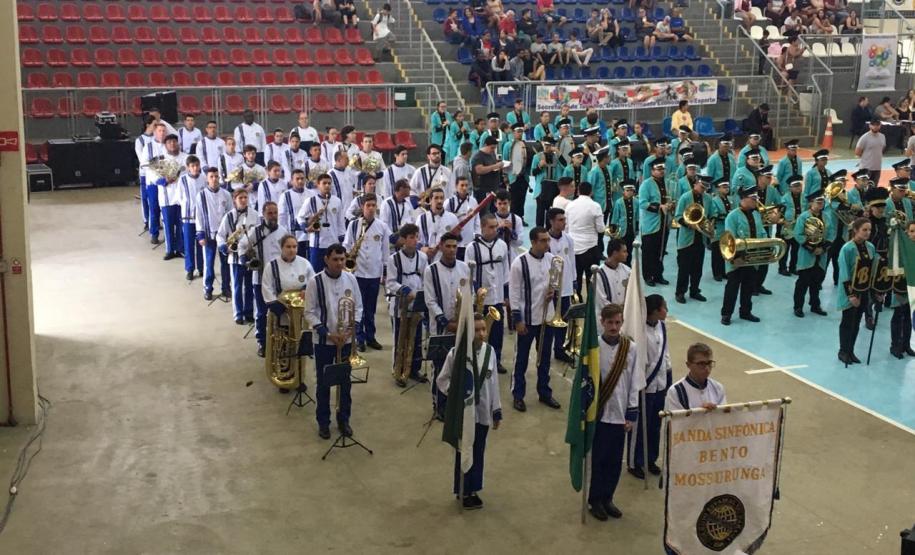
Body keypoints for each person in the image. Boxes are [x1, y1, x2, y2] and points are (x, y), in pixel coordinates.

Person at [437, 313, 502, 510]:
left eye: (484, 329)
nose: (482, 333)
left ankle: (474, 488)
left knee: (479, 451)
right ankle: (462, 489)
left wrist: (496, 410)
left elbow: (494, 384)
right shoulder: (456, 353)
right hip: (464, 414)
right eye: (478, 330)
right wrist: (455, 395)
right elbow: (442, 379)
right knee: (463, 450)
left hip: (482, 414)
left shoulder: (490, 352)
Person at [304, 244, 363, 439]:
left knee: (345, 383)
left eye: (342, 259)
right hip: (324, 342)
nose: (340, 263)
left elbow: (359, 307)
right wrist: (328, 334)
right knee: (323, 383)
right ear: (326, 260)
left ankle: (343, 419)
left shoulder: (351, 279)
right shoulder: (315, 282)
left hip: (345, 340)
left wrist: (349, 331)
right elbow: (309, 312)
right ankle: (323, 422)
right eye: (336, 259)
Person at [588, 303, 641, 521]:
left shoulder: (631, 348)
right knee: (598, 460)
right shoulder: (593, 348)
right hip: (600, 414)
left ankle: (608, 497)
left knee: (614, 461)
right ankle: (595, 500)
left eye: (617, 322)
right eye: (610, 322)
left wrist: (631, 414)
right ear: (602, 322)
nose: (614, 326)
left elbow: (635, 382)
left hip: (620, 414)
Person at [508, 227, 562, 412]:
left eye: (548, 240)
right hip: (527, 319)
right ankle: (518, 395)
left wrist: (552, 293)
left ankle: (544, 392)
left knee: (545, 358)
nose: (547, 243)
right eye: (543, 240)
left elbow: (556, 284)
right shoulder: (519, 263)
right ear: (533, 242)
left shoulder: (553, 261)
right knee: (521, 359)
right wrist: (518, 319)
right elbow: (514, 293)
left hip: (547, 318)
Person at [424, 233, 472, 418]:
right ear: (441, 247)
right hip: (441, 328)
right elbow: (430, 300)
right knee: (440, 367)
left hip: (460, 325)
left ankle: (455, 401)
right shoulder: (431, 270)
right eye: (448, 246)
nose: (452, 250)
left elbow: (469, 294)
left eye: (455, 247)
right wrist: (445, 321)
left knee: (458, 365)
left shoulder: (465, 268)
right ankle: (439, 405)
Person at [342, 193, 393, 353]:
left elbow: (385, 251)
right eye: (368, 205)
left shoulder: (382, 226)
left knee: (371, 308)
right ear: (362, 207)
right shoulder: (354, 225)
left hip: (374, 272)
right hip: (357, 272)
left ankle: (371, 337)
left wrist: (385, 273)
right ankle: (359, 337)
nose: (371, 208)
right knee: (358, 307)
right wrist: (349, 256)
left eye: (373, 205)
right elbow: (347, 244)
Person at [628, 294, 670, 479]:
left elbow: (665, 353)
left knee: (655, 424)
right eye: (664, 307)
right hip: (644, 384)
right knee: (640, 427)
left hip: (660, 383)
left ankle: (650, 458)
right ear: (654, 311)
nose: (666, 310)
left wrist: (668, 377)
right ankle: (634, 461)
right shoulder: (639, 331)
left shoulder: (662, 326)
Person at [464, 213, 511, 374]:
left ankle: (495, 359)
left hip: (497, 297)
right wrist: (475, 291)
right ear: (483, 227)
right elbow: (468, 273)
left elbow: (506, 271)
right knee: (477, 331)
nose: (494, 230)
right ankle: (475, 358)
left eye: (496, 226)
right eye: (491, 227)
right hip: (480, 300)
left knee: (497, 331)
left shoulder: (502, 245)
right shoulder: (472, 248)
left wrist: (505, 294)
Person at [239, 202, 288, 357]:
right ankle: (262, 342)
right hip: (260, 279)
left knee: (281, 313)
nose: (273, 216)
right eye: (270, 213)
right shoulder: (256, 231)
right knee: (261, 313)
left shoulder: (284, 231)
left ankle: (281, 342)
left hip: (280, 281)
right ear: (263, 214)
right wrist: (244, 258)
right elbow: (242, 245)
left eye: (275, 213)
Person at [386, 224, 429, 387]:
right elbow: (390, 282)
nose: (415, 240)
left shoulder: (423, 258)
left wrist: (422, 294)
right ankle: (398, 370)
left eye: (416, 236)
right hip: (400, 303)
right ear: (403, 240)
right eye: (411, 237)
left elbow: (426, 278)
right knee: (400, 337)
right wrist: (405, 290)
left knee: (416, 337)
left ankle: (413, 369)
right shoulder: (394, 259)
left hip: (417, 301)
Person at [720, 183, 766, 325]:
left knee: (748, 286)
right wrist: (737, 257)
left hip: (752, 258)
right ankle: (726, 314)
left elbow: (762, 232)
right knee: (732, 287)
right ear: (744, 199)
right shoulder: (732, 217)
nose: (756, 201)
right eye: (753, 198)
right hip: (737, 259)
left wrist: (764, 243)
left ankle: (745, 312)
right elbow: (730, 238)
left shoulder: (756, 214)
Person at [837, 217, 880, 364]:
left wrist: (876, 292)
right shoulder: (847, 249)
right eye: (864, 230)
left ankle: (851, 350)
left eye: (869, 230)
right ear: (856, 230)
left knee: (856, 322)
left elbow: (873, 270)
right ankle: (843, 351)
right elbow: (844, 273)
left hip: (864, 291)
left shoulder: (870, 247)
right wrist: (851, 295)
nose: (868, 232)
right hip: (850, 292)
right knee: (848, 321)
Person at [793, 189, 836, 317]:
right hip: (807, 255)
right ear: (811, 203)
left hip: (821, 255)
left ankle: (815, 305)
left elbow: (831, 233)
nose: (821, 204)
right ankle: (798, 306)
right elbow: (798, 234)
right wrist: (812, 248)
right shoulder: (804, 217)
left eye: (822, 201)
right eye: (818, 202)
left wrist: (823, 248)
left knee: (817, 282)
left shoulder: (826, 217)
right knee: (803, 283)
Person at [674, 175, 712, 304]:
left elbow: (710, 215)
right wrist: (689, 224)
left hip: (700, 239)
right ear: (695, 184)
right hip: (686, 239)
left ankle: (694, 290)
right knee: (684, 268)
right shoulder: (685, 197)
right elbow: (678, 216)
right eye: (701, 187)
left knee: (697, 268)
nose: (703, 190)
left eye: (705, 188)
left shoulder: (707, 198)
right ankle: (680, 292)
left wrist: (709, 226)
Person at [297, 174, 345, 274]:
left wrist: (341, 241)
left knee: (333, 272)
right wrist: (305, 228)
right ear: (318, 185)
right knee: (315, 273)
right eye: (324, 183)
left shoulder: (337, 201)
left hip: (333, 243)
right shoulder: (311, 201)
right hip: (317, 244)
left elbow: (340, 222)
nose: (327, 185)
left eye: (329, 183)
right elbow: (300, 217)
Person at [198, 169, 234, 303]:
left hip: (224, 235)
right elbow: (199, 216)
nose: (214, 179)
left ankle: (226, 287)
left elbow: (231, 214)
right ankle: (208, 288)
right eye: (211, 177)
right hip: (208, 235)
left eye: (216, 176)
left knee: (225, 263)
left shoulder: (226, 194)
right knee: (209, 263)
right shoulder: (201, 195)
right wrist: (200, 234)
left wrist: (231, 234)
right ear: (207, 179)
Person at [546, 208, 576, 364]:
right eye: (560, 220)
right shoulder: (544, 240)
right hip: (549, 288)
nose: (564, 223)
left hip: (565, 287)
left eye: (564, 219)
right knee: (548, 319)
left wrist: (574, 281)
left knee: (563, 319)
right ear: (551, 221)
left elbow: (571, 261)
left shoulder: (568, 239)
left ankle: (559, 349)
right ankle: (545, 348)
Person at [566, 182, 604, 297]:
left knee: (575, 276)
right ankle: (590, 304)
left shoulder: (570, 205)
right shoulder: (595, 206)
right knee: (591, 278)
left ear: (578, 191)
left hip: (573, 246)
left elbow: (566, 227)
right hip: (590, 247)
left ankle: (576, 301)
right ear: (591, 192)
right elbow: (601, 228)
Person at [639, 159, 673, 286]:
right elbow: (642, 203)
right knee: (649, 251)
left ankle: (658, 274)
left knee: (661, 250)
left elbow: (670, 198)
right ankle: (648, 276)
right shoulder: (646, 184)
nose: (661, 172)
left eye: (663, 169)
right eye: (659, 169)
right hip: (651, 224)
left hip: (664, 223)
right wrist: (659, 207)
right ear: (652, 171)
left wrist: (671, 205)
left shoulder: (667, 183)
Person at [665, 343, 727, 411]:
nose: (707, 368)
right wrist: (700, 412)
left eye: (709, 363)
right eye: (701, 364)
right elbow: (675, 420)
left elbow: (724, 418)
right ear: (688, 365)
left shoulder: (718, 388)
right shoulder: (675, 392)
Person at [156, 134, 188, 261]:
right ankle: (170, 250)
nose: (172, 144)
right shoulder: (160, 159)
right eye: (169, 142)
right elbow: (153, 177)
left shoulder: (185, 157)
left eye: (174, 142)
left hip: (181, 197)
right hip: (167, 197)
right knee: (168, 225)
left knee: (181, 224)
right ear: (165, 145)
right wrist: (164, 180)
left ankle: (180, 248)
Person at [176, 156, 206, 281]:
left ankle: (201, 268)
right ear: (188, 167)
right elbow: (178, 198)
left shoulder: (204, 178)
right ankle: (189, 269)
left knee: (201, 243)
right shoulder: (182, 180)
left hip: (201, 218)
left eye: (196, 166)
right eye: (192, 166)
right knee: (188, 244)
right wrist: (188, 205)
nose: (195, 168)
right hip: (188, 217)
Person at [140, 122, 167, 245]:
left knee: (167, 208)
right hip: (153, 183)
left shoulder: (168, 145)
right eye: (159, 131)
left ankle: (169, 233)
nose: (162, 133)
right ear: (155, 132)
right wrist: (157, 176)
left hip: (168, 182)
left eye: (163, 131)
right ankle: (154, 233)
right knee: (154, 208)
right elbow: (145, 164)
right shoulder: (148, 147)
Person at [594, 239, 631, 323]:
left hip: (623, 318)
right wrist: (618, 312)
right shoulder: (598, 274)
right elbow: (601, 301)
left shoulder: (627, 271)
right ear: (615, 253)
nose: (627, 254)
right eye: (624, 251)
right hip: (605, 319)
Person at [445, 177, 480, 260]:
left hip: (469, 241)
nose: (464, 188)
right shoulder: (449, 202)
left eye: (466, 185)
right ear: (456, 186)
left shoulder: (473, 201)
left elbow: (477, 220)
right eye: (462, 185)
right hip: (455, 242)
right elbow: (445, 219)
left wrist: (478, 234)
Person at [278, 169, 310, 257]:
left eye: (302, 178)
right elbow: (281, 217)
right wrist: (284, 236)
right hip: (293, 236)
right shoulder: (285, 196)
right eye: (297, 179)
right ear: (292, 181)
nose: (300, 181)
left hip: (309, 236)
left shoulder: (311, 194)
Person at [531, 137, 561, 227]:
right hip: (541, 189)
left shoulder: (556, 157)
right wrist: (540, 166)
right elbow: (533, 173)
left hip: (553, 188)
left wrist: (558, 152)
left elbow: (565, 165)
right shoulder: (537, 157)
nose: (547, 147)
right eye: (546, 145)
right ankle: (539, 231)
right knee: (540, 212)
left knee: (550, 213)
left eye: (549, 145)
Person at [502, 123, 530, 218]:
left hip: (524, 176)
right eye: (518, 131)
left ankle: (521, 217)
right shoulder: (507, 145)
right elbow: (505, 161)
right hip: (513, 176)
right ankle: (513, 218)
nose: (520, 133)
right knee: (513, 199)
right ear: (513, 132)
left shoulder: (525, 145)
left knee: (522, 198)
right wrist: (506, 177)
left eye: (521, 131)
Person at [779, 176, 804, 276]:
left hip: (798, 227)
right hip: (787, 227)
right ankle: (782, 268)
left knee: (796, 249)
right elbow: (780, 212)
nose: (798, 188)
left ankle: (793, 267)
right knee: (785, 248)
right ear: (790, 188)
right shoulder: (784, 198)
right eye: (795, 186)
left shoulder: (804, 197)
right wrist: (782, 221)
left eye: (799, 186)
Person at [610, 181, 639, 263]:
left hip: (631, 231)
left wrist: (636, 229)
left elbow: (637, 217)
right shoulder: (619, 202)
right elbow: (615, 218)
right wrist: (613, 234)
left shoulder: (636, 202)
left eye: (631, 191)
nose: (629, 193)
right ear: (623, 191)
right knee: (621, 250)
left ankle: (628, 264)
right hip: (621, 232)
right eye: (627, 190)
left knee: (629, 250)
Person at [471, 136, 505, 203]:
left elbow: (494, 164)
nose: (493, 150)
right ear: (486, 145)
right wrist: (495, 166)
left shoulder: (492, 153)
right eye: (492, 148)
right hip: (483, 189)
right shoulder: (478, 156)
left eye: (494, 148)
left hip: (493, 187)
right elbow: (479, 170)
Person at [855, 120, 886, 184]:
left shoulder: (882, 137)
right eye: (873, 125)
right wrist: (866, 158)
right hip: (866, 168)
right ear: (870, 126)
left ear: (880, 126)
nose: (875, 127)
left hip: (877, 167)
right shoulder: (864, 137)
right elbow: (857, 152)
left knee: (874, 187)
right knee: (864, 187)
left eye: (877, 125)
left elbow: (882, 149)